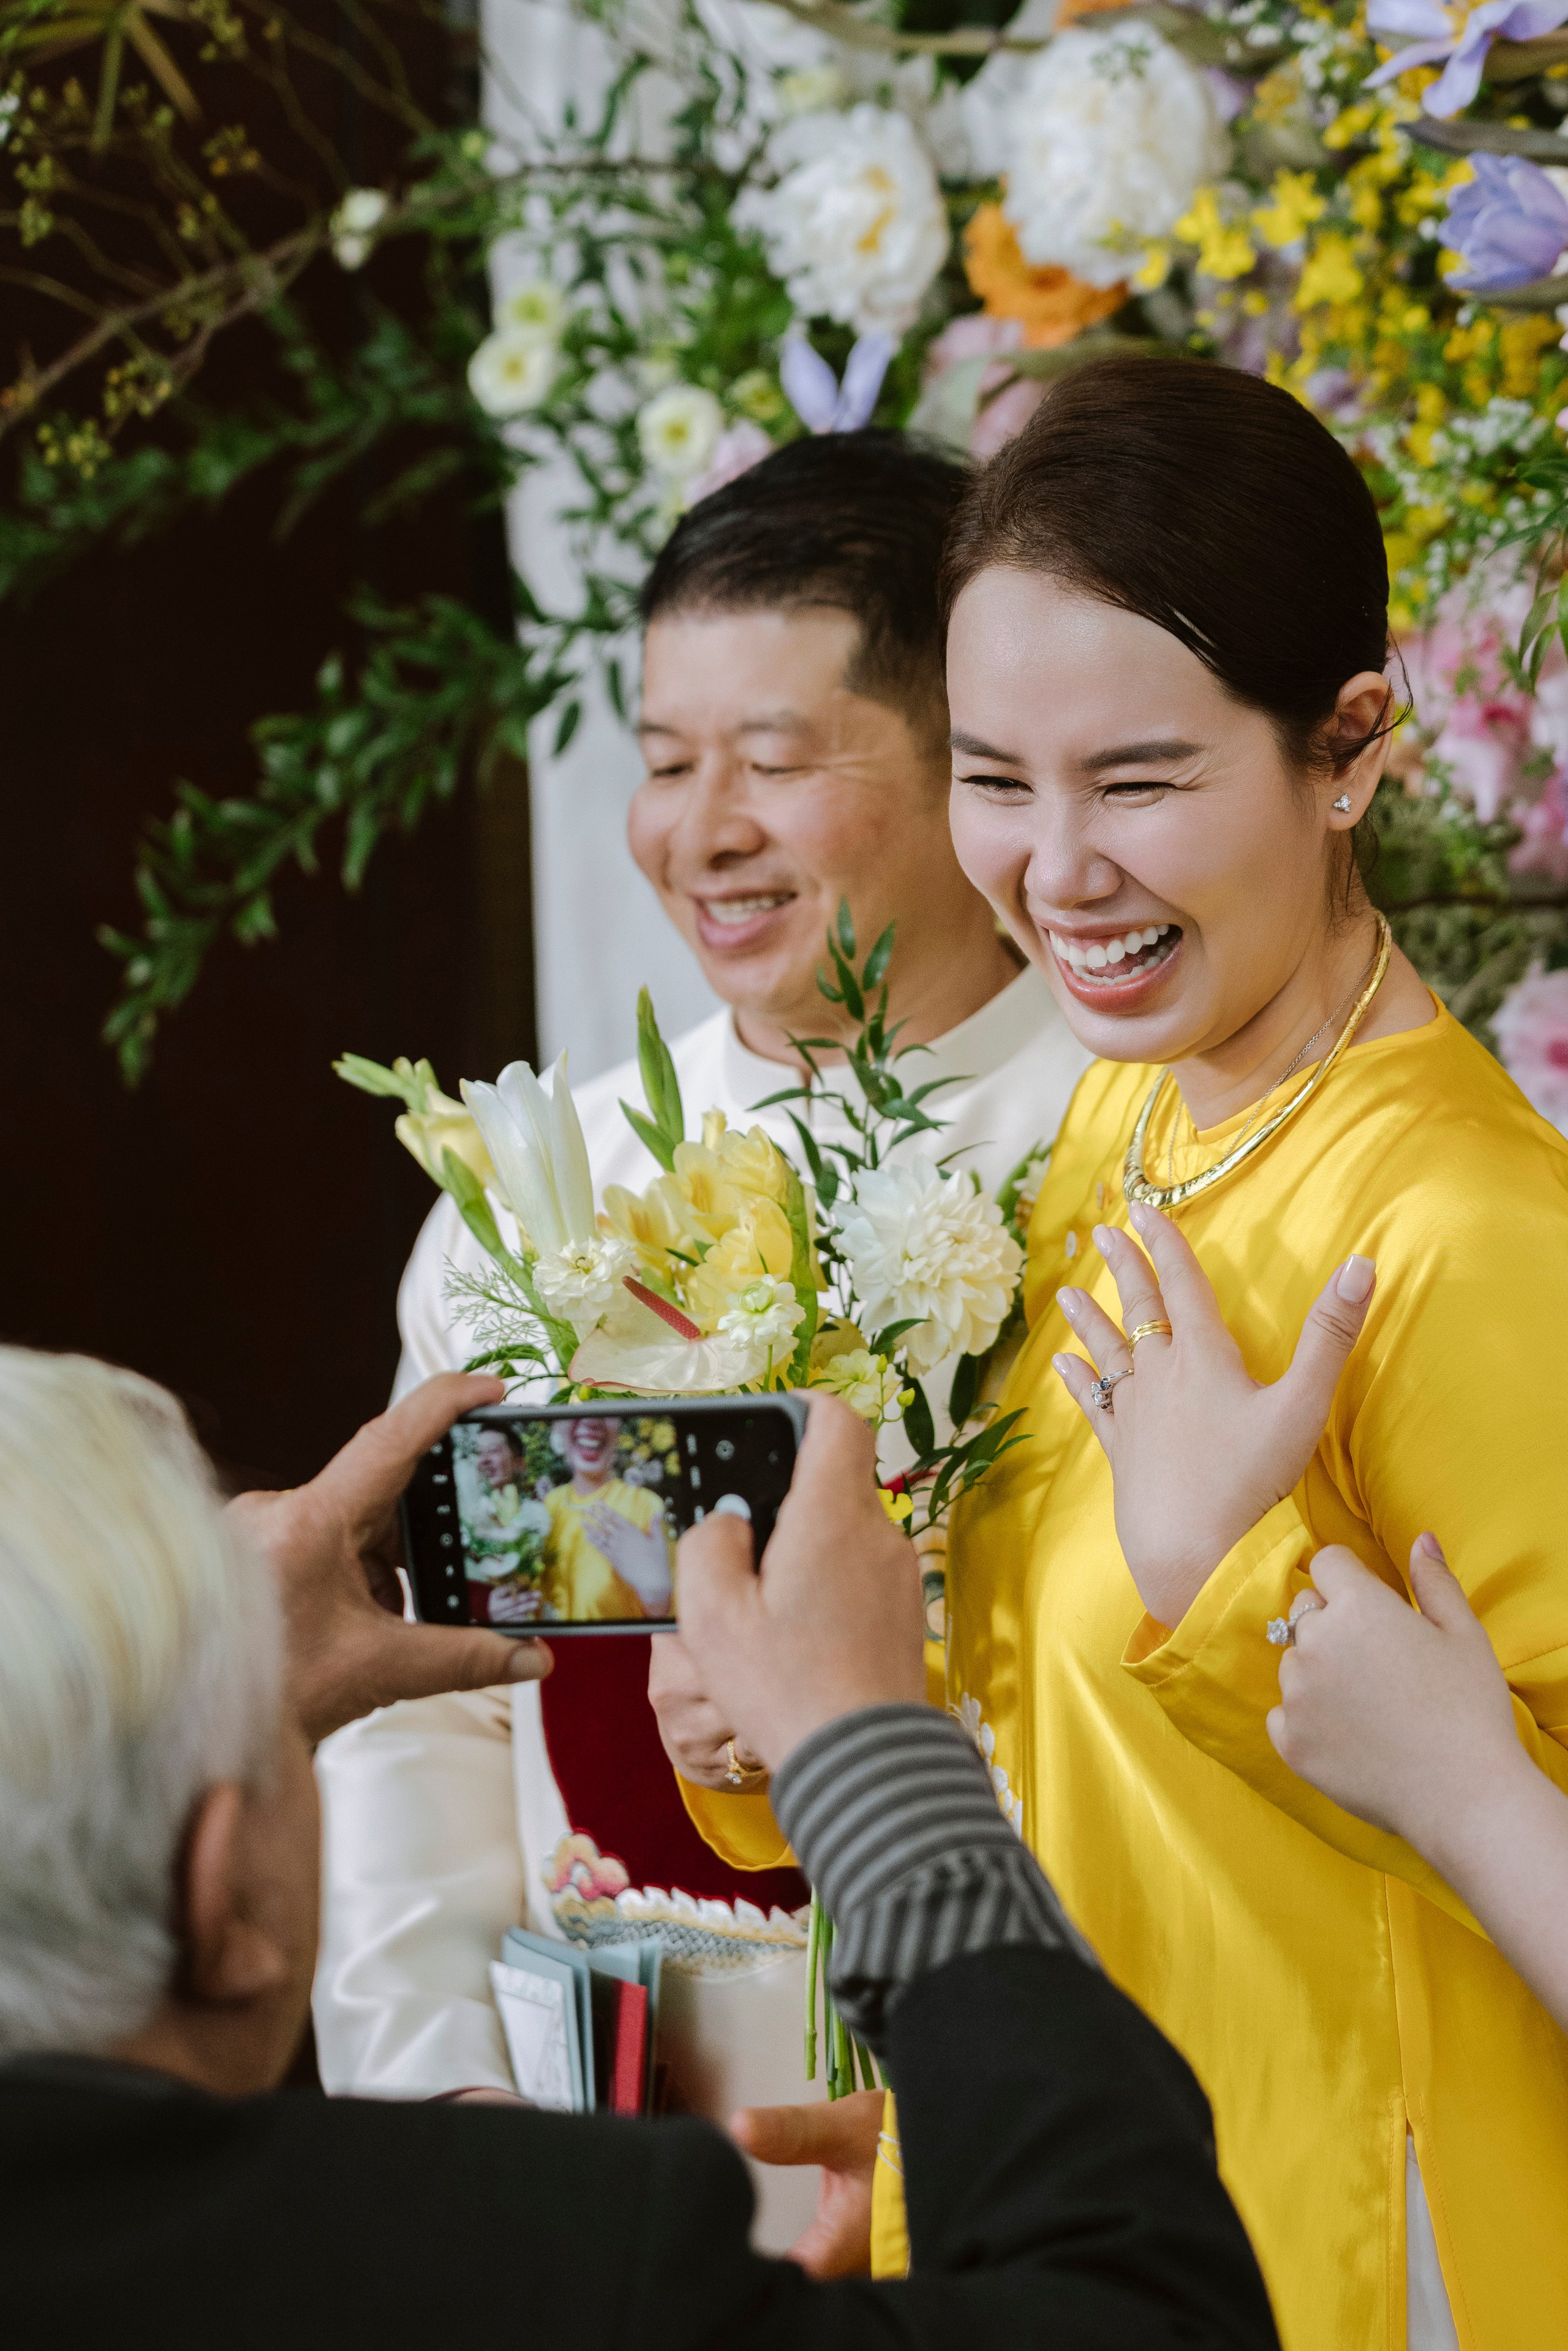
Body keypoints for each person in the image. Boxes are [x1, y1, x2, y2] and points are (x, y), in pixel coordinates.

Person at [669, 357, 1568, 2347]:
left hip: (1338, 2256)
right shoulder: (1125, 1118)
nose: (1054, 870)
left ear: (1350, 745)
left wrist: (1221, 1582)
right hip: (1067, 2230)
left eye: (1140, 780)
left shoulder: (1470, 1237)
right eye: (998, 775)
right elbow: (1054, 1732)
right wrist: (780, 1727)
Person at [313, 430, 1091, 2200]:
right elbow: (426, 1681)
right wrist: (438, 2089)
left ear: (969, 759)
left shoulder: (1126, 1143)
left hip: (1016, 2122)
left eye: (775, 758)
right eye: (666, 760)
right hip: (614, 2162)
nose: (700, 828)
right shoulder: (538, 1185)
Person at [0, 1347, 1281, 2351]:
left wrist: (202, 1699)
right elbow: (1146, 2316)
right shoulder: (532, 2268)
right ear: (221, 1896)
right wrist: (869, 1755)